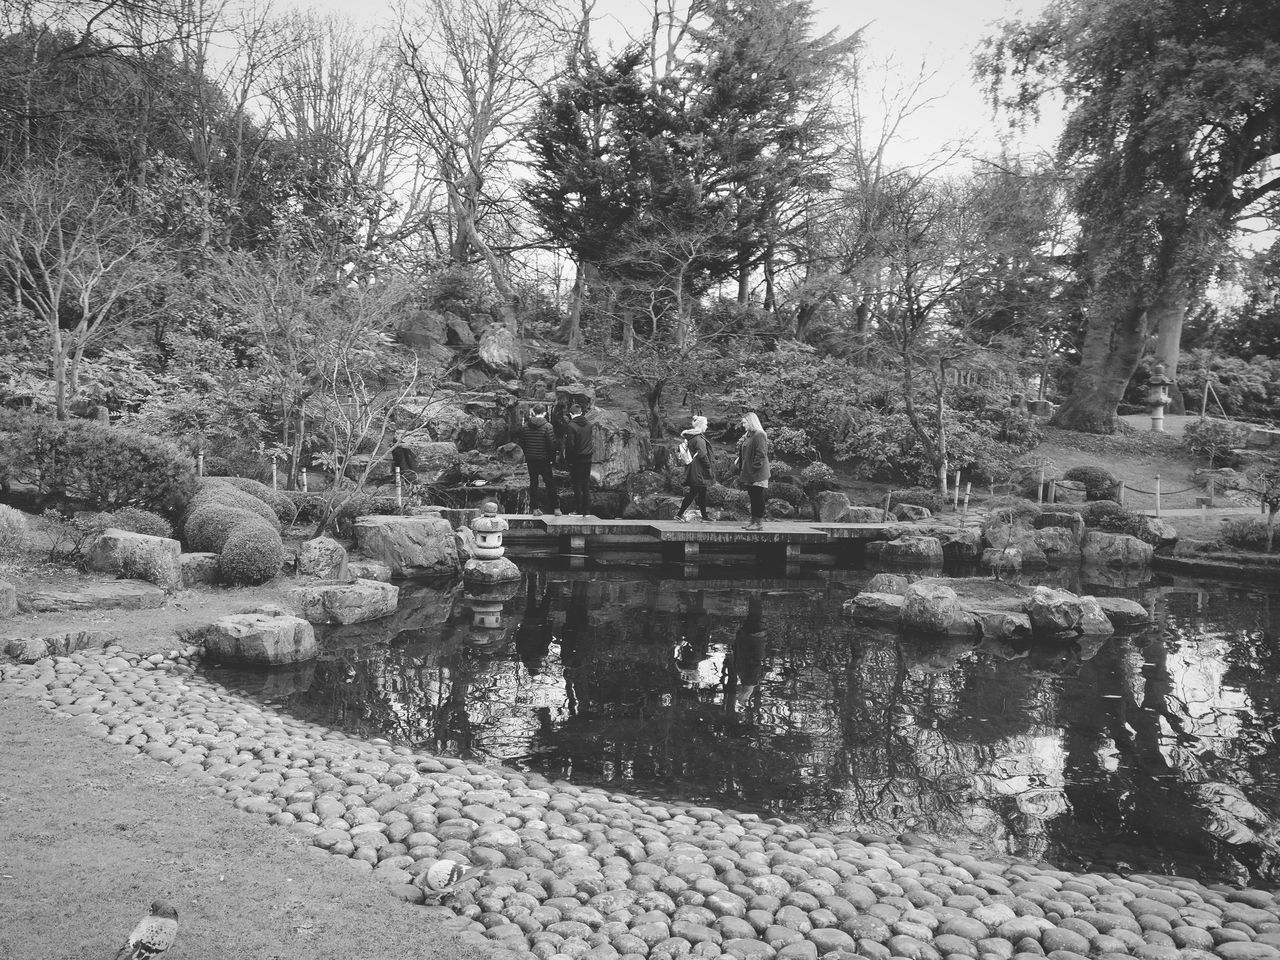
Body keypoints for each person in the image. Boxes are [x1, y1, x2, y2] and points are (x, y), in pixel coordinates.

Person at [516, 403, 560, 516]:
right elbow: (552, 444)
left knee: (533, 484)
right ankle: (556, 508)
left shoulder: (525, 426)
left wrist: (527, 455)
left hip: (531, 459)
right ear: (545, 413)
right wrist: (552, 459)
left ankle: (535, 509)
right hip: (544, 459)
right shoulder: (548, 426)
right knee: (550, 483)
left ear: (533, 412)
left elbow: (522, 443)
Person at [734, 409, 770, 530]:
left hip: (758, 472)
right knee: (753, 497)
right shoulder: (749, 435)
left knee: (757, 497)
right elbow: (746, 450)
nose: (743, 425)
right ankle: (753, 521)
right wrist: (739, 459)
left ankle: (758, 524)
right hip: (750, 472)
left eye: (744, 423)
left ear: (751, 422)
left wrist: (754, 468)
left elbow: (761, 454)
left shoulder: (759, 434)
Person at [676, 415, 713, 522]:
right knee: (695, 492)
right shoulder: (699, 438)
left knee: (701, 492)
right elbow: (702, 454)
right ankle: (679, 514)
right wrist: (708, 467)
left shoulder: (691, 437)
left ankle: (704, 516)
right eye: (705, 424)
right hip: (699, 470)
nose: (706, 426)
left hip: (693, 468)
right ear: (701, 425)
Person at [562, 401, 594, 516]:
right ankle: (587, 510)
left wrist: (568, 461)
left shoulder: (571, 426)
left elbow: (570, 445)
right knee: (586, 485)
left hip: (577, 459)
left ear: (571, 414)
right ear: (581, 413)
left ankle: (578, 510)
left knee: (577, 485)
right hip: (588, 459)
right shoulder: (589, 424)